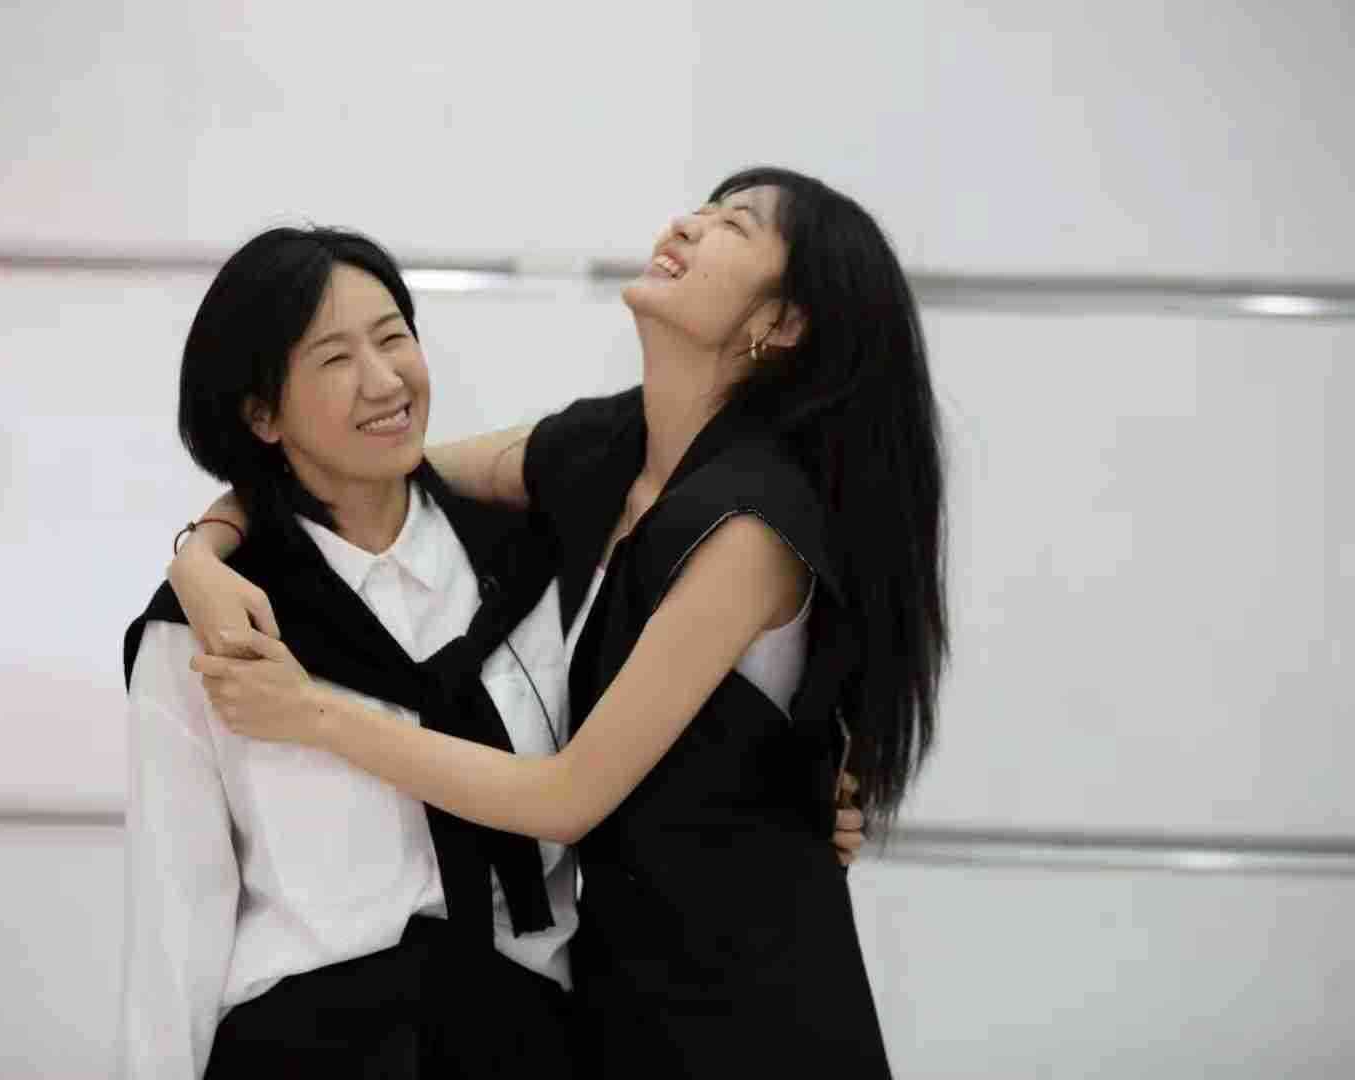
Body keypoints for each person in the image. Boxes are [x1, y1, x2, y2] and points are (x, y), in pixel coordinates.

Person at [175, 166, 933, 1075]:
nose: (688, 226)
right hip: (615, 1009)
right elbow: (356, 468)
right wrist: (201, 554)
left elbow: (568, 797)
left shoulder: (751, 531)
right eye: (700, 208)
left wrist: (311, 713)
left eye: (734, 226)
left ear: (782, 322)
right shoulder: (606, 450)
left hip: (752, 1020)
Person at [119, 227, 581, 1078]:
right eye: (335, 358)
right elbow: (174, 916)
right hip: (308, 1048)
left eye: (393, 336)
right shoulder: (214, 627)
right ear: (261, 414)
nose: (384, 379)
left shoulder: (530, 567)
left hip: (525, 1042)